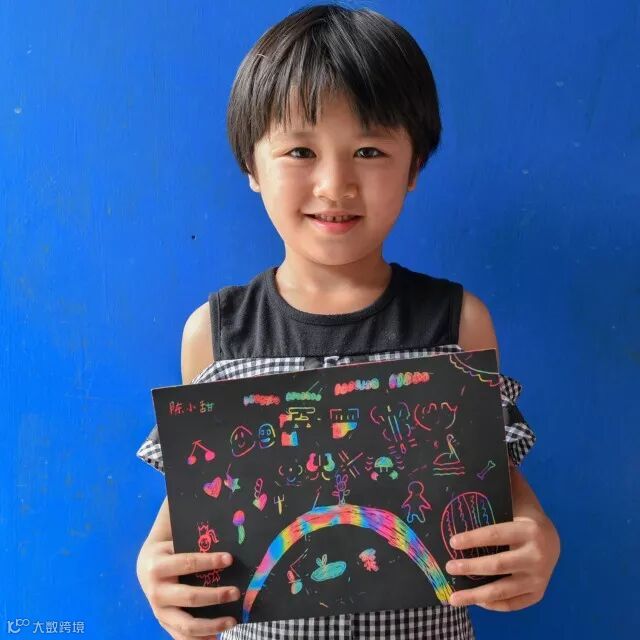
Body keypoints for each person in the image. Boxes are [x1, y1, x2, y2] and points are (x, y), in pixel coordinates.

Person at [135, 4, 560, 639]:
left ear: (414, 166)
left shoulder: (458, 322)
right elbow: (192, 503)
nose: (335, 185)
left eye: (369, 150)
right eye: (300, 150)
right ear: (251, 166)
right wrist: (154, 565)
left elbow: (495, 483)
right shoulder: (215, 333)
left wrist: (538, 536)